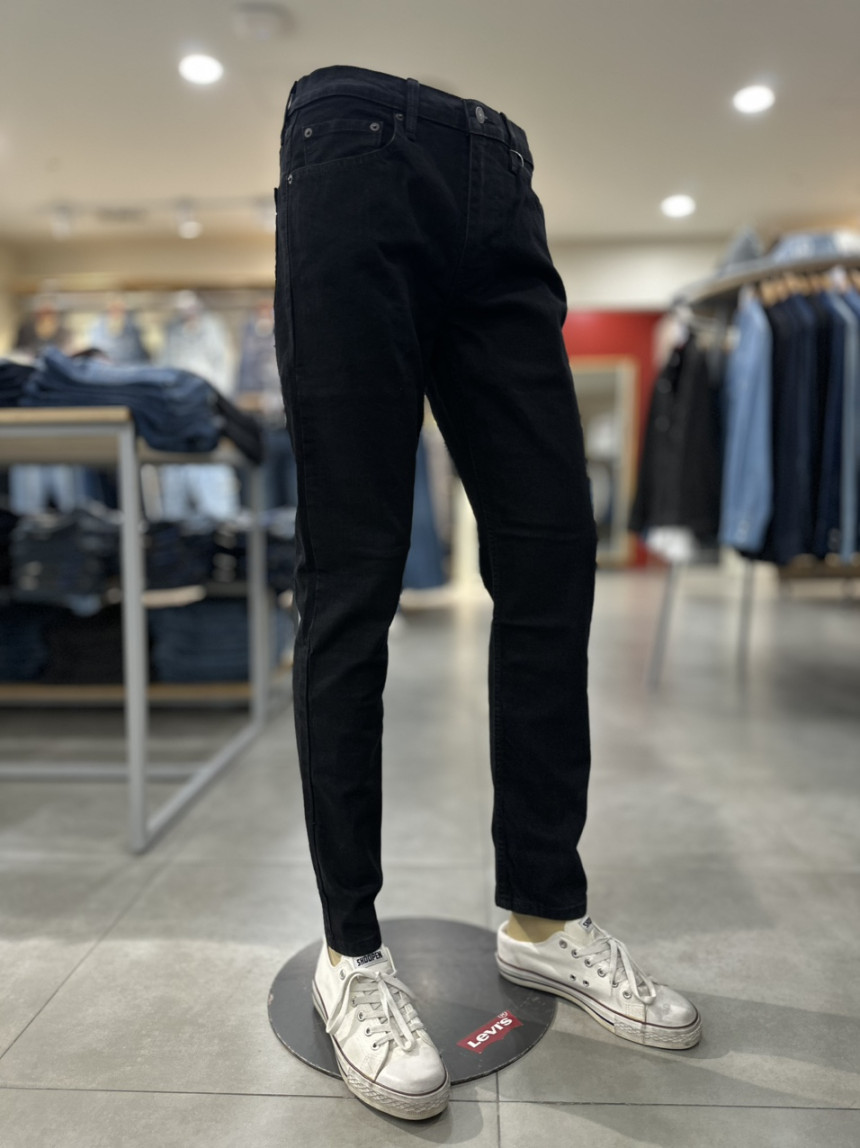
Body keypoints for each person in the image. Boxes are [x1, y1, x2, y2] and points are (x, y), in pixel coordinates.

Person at [274, 65, 702, 1122]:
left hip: (500, 184)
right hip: (354, 160)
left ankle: (544, 919)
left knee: (551, 548)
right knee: (353, 570)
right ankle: (350, 953)